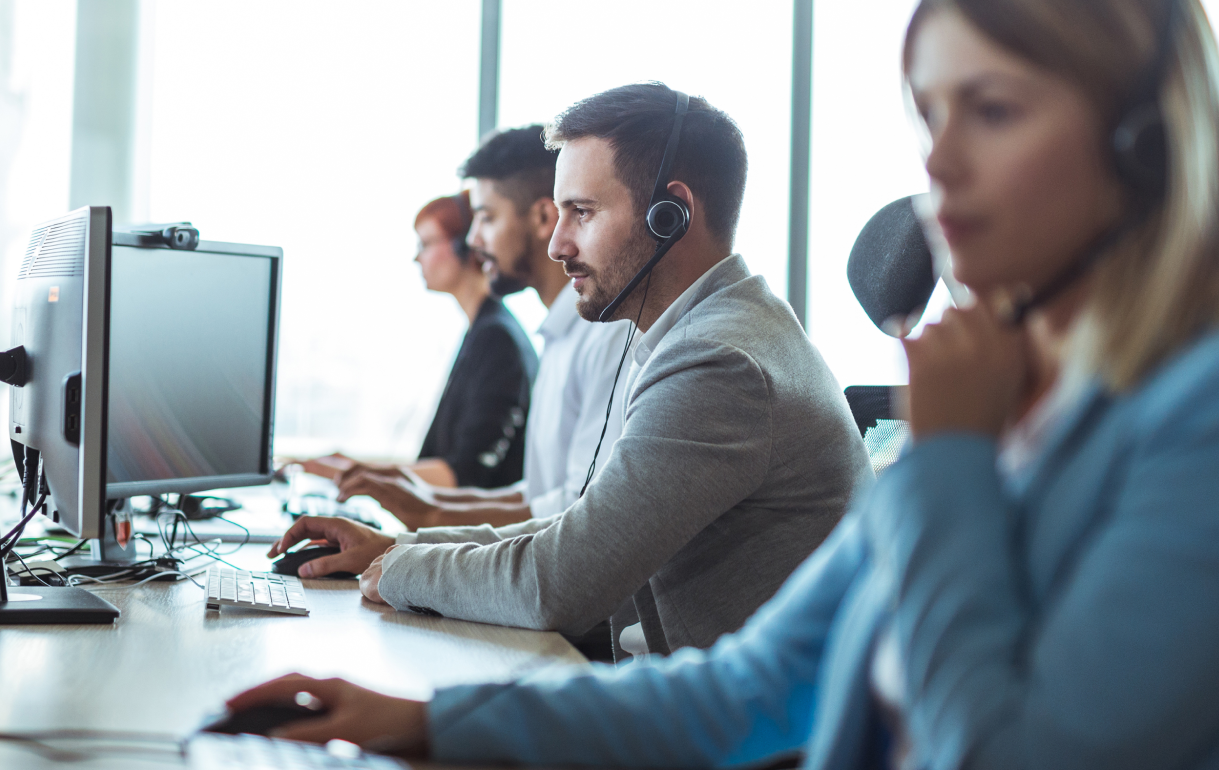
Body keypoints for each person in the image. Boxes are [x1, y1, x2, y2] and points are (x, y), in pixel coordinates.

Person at [228, 0, 1219, 770]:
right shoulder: (1006, 407)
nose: (937, 165)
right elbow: (752, 689)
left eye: (991, 111)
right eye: (927, 116)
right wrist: (424, 722)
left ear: (1143, 149)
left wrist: (948, 463)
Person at [271, 86, 870, 657]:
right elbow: (581, 531)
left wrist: (399, 568)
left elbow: (558, 583)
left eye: (581, 212)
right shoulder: (723, 329)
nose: (557, 245)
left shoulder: (718, 363)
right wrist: (400, 545)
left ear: (673, 215)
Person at [333, 126, 636, 530]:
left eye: (487, 218)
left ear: (543, 217)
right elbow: (537, 496)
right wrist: (419, 499)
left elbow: (576, 515)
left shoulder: (605, 336)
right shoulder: (557, 335)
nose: (474, 240)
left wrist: (419, 529)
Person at [300, 193, 536, 490]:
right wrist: (352, 466)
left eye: (425, 244)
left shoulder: (497, 340)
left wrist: (355, 472)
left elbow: (464, 474)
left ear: (466, 247)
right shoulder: (480, 332)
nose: (416, 257)